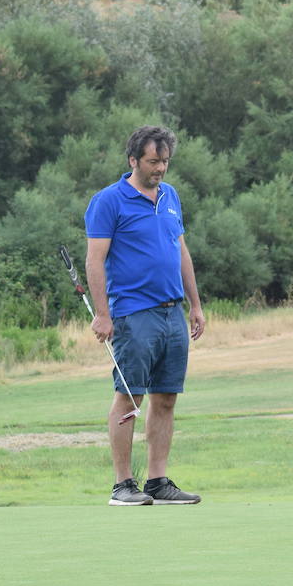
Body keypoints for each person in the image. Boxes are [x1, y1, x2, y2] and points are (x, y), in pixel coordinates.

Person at [84, 125, 206, 506]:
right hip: (134, 314)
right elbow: (95, 260)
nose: (160, 169)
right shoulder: (109, 201)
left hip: (172, 313)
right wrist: (103, 315)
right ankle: (123, 485)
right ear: (133, 160)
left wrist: (196, 304)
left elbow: (180, 251)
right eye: (153, 161)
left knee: (166, 398)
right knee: (129, 397)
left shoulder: (170, 196)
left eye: (165, 161)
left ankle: (157, 481)